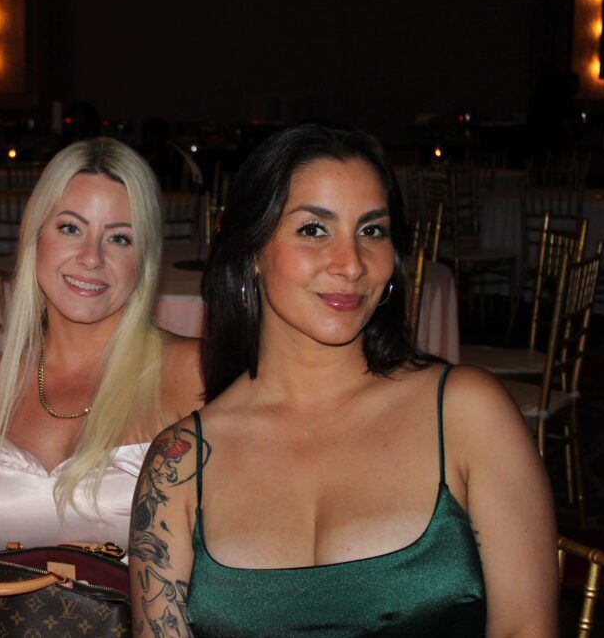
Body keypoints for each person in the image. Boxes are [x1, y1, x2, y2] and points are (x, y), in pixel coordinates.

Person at [129, 125, 557, 636]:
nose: (352, 264)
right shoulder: (178, 465)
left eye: (372, 231)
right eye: (314, 229)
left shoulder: (467, 413)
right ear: (252, 250)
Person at [0, 137, 202, 565]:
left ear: (145, 259)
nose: (91, 257)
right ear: (35, 236)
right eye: (71, 228)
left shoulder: (190, 376)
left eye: (120, 238)